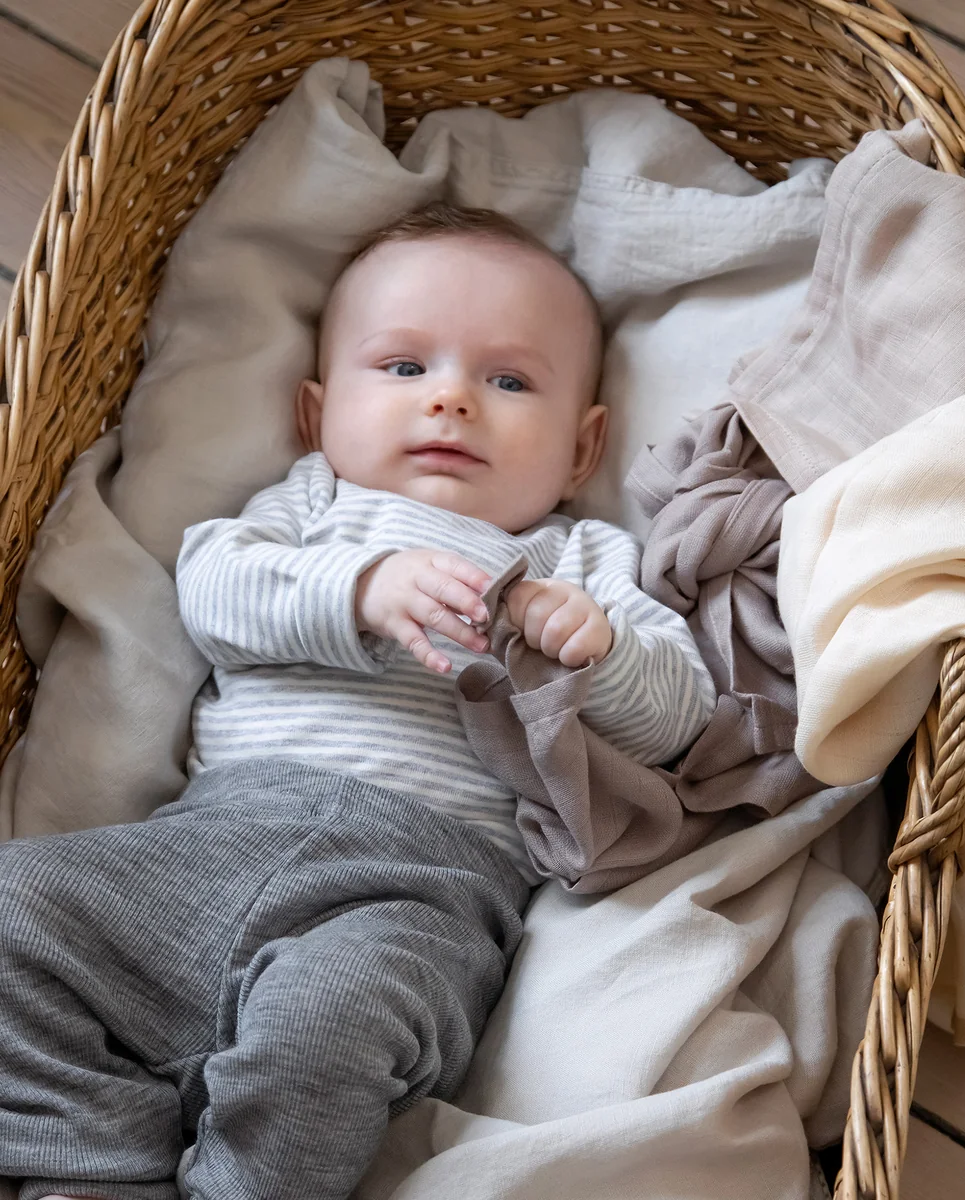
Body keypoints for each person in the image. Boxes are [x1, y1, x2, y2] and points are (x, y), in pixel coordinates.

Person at [0, 202, 716, 1200]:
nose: (451, 400)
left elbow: (682, 716)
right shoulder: (312, 508)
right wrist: (361, 589)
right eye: (405, 366)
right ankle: (98, 1161)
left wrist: (592, 651)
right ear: (317, 413)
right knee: (14, 910)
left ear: (582, 449)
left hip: (420, 890)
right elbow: (214, 593)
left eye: (509, 381)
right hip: (209, 844)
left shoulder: (580, 559)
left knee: (331, 1027)